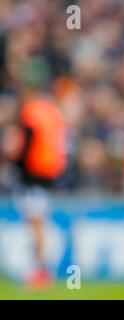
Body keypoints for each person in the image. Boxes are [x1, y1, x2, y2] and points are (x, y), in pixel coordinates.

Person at [4, 94, 67, 289]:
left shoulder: (30, 114)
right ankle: (41, 268)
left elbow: (24, 146)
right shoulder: (51, 113)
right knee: (38, 223)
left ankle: (41, 269)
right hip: (47, 175)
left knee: (36, 224)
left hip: (31, 177)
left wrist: (13, 162)